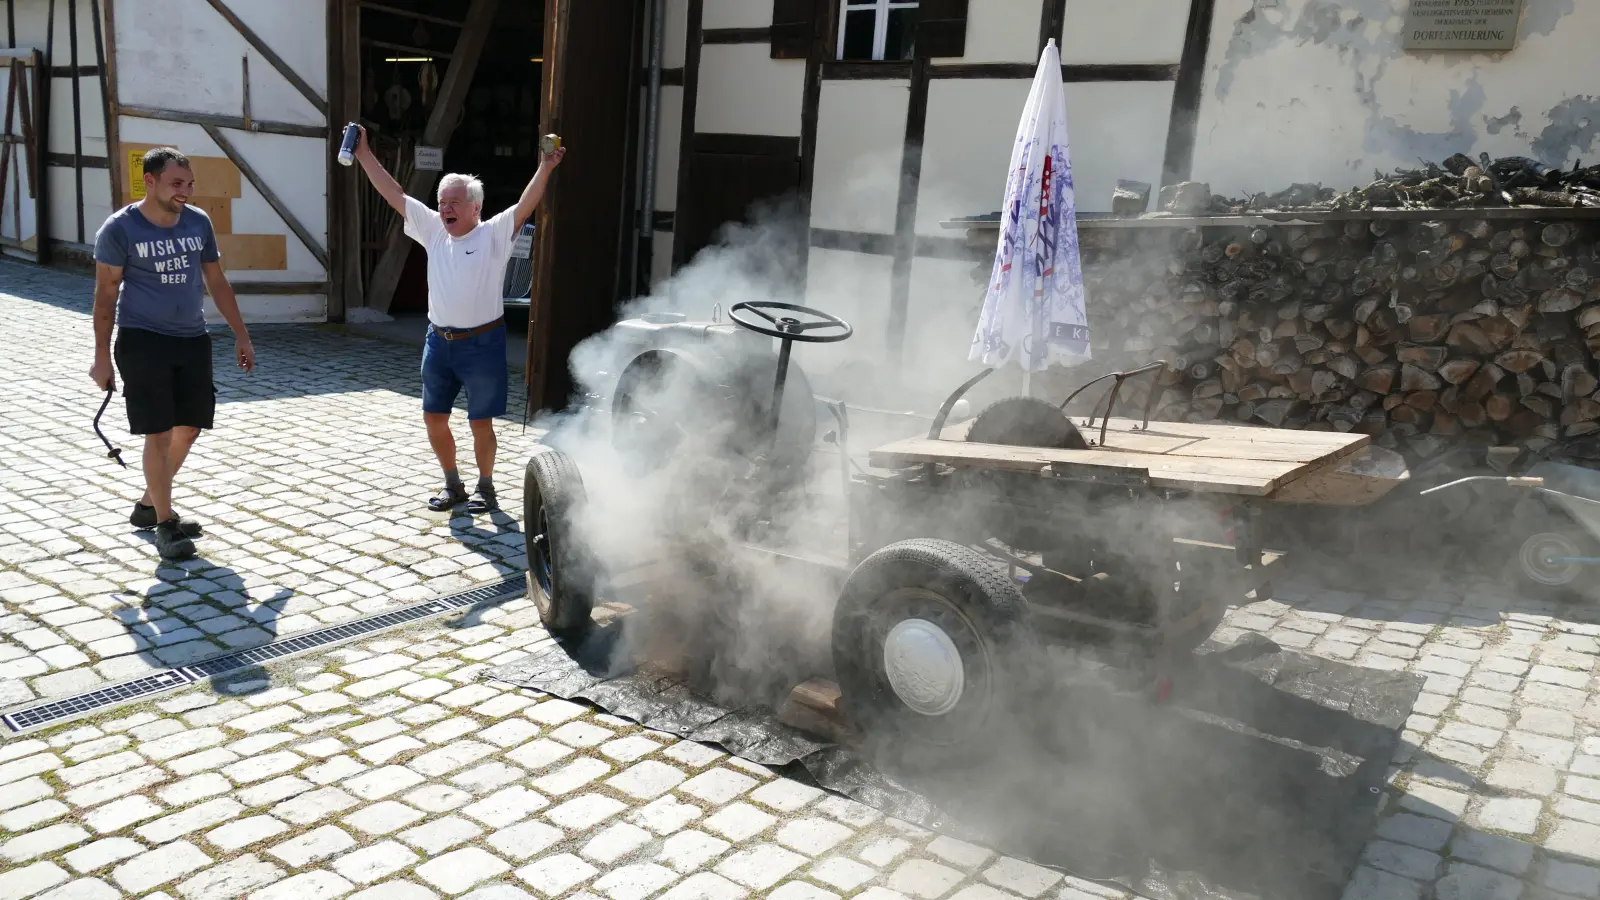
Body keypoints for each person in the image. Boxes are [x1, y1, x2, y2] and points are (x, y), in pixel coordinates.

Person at [351, 125, 566, 514]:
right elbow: (395, 195)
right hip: (439, 343)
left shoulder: (493, 234)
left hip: (483, 344)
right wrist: (364, 153)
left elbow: (525, 204)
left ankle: (486, 488)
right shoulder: (434, 230)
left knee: (480, 423)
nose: (445, 208)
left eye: (453, 202)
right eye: (441, 201)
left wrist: (546, 167)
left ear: (475, 208)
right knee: (433, 418)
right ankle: (453, 485)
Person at [89, 147, 255, 561]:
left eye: (190, 183)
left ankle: (150, 504)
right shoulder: (120, 229)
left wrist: (241, 334)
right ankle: (165, 523)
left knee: (189, 427)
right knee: (159, 431)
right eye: (176, 183)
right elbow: (105, 295)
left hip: (192, 338)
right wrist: (101, 356)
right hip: (143, 339)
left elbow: (216, 279)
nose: (186, 191)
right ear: (150, 181)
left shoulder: (198, 222)